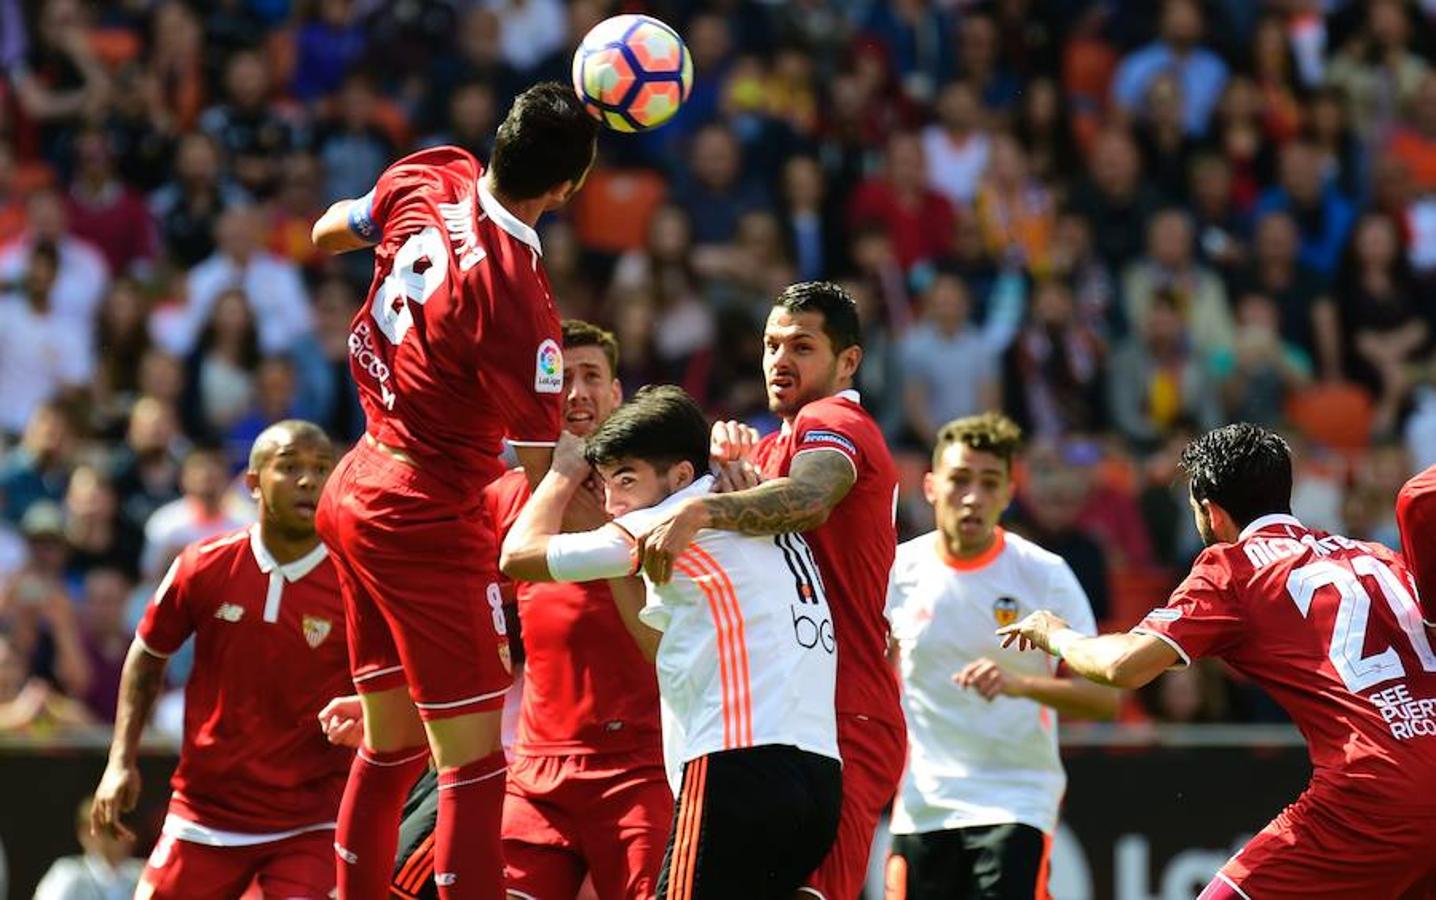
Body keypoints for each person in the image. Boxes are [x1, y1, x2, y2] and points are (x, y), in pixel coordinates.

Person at [308, 81, 599, 899]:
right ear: (566, 189)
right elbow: (546, 481)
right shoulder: (520, 301)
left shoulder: (433, 170)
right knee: (473, 762)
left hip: (357, 476)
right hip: (422, 512)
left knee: (391, 741)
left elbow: (330, 228)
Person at [998, 424, 1436, 899]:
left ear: (1210, 511)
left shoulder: (1234, 567)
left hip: (1373, 790)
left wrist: (1054, 633)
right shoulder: (1375, 554)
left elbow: (1123, 665)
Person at [319, 321, 670, 899]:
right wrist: (394, 701)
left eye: (592, 378)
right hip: (535, 774)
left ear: (616, 395)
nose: (577, 393)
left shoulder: (662, 492)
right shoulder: (503, 498)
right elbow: (454, 623)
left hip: (641, 769)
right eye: (563, 381)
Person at [499, 385, 842, 899]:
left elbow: (518, 555)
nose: (613, 503)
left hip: (734, 767)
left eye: (626, 480)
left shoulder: (666, 521)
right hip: (818, 778)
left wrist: (562, 474)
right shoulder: (757, 507)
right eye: (606, 482)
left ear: (681, 476)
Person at [635, 281, 903, 900]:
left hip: (843, 709)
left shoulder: (834, 419)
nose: (781, 360)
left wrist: (705, 513)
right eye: (771, 344)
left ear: (848, 362)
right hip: (790, 710)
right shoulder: (775, 443)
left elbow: (809, 500)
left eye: (802, 346)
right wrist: (733, 473)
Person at [89, 421, 352, 899]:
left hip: (311, 821)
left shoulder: (355, 581)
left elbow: (393, 684)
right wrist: (120, 761)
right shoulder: (203, 564)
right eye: (290, 467)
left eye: (321, 468)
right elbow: (148, 658)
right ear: (252, 483)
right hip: (205, 815)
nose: (309, 481)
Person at [886, 413, 1117, 899]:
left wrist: (1019, 684)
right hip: (923, 806)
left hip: (1015, 801)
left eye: (989, 482)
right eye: (959, 480)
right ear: (930, 486)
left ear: (1009, 493)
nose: (973, 496)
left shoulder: (1044, 576)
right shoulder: (898, 572)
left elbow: (1103, 700)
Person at [33, 795, 143, 900]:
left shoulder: (140, 874)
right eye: (110, 830)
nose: (124, 835)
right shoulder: (68, 875)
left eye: (124, 827)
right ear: (86, 833)